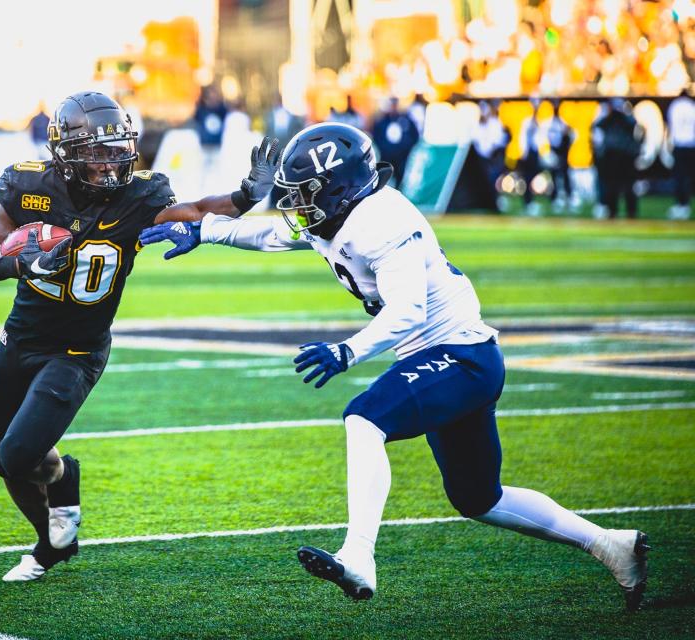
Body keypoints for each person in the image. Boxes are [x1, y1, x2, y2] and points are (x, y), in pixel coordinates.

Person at [139, 122, 649, 611]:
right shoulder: (336, 215)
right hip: (452, 359)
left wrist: (347, 351)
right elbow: (273, 235)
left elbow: (410, 311)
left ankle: (358, 555)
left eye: (303, 192)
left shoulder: (382, 220)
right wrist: (204, 231)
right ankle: (610, 544)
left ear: (338, 187)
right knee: (478, 498)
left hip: (461, 357)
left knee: (365, 420)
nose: (295, 204)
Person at [0, 91, 279, 582]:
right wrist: (18, 263)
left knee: (20, 453)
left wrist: (245, 197)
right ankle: (51, 545)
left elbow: (194, 211)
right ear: (63, 152)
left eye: (116, 149)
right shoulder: (29, 188)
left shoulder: (140, 196)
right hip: (19, 340)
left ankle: (63, 482)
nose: (109, 163)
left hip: (78, 350)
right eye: (96, 151)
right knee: (6, 462)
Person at [592, 98, 642, 219]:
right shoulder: (609, 119)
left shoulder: (626, 120)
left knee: (627, 186)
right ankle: (614, 211)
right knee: (612, 186)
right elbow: (597, 125)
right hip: (613, 156)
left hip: (623, 156)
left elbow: (634, 124)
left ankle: (630, 212)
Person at [370, 97, 419, 187]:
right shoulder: (382, 121)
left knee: (400, 177)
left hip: (402, 157)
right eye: (392, 105)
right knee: (384, 177)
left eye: (395, 105)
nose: (393, 107)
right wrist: (384, 148)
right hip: (387, 156)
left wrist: (406, 147)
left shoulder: (406, 120)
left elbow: (414, 135)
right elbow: (376, 136)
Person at [540, 100, 577, 213]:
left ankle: (569, 197)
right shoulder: (548, 123)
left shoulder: (563, 123)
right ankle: (555, 198)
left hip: (563, 153)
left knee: (565, 176)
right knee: (554, 176)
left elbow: (572, 136)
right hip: (554, 152)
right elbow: (543, 138)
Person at [666, 87, 695, 220]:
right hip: (691, 145)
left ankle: (680, 204)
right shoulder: (691, 106)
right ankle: (685, 204)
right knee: (688, 177)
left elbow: (670, 125)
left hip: (679, 145)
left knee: (680, 177)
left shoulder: (675, 105)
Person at [518, 99, 544, 216]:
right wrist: (523, 153)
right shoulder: (527, 122)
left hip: (534, 153)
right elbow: (522, 138)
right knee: (527, 179)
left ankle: (530, 202)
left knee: (532, 178)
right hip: (528, 154)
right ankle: (528, 202)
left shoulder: (538, 123)